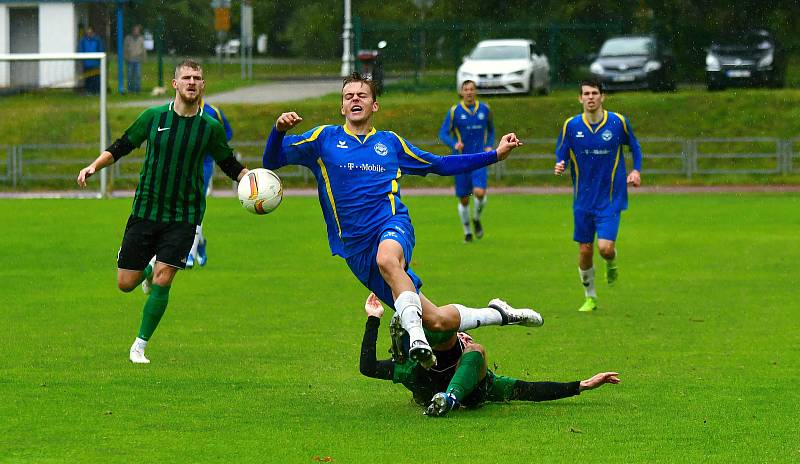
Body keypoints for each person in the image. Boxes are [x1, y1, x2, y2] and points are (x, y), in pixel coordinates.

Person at [263, 72, 540, 369]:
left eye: (362, 95)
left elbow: (439, 164)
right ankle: (499, 313)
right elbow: (272, 161)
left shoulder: (390, 143)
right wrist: (278, 131)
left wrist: (494, 155)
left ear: (375, 106)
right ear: (342, 108)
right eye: (348, 96)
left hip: (392, 225)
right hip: (355, 249)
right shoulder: (323, 139)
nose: (355, 99)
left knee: (387, 260)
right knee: (436, 320)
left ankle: (415, 336)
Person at [77, 59, 248, 363]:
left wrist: (252, 181)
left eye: (197, 78)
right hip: (146, 209)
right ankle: (144, 271)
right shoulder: (153, 117)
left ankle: (139, 345)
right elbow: (121, 145)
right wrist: (93, 166)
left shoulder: (209, 127)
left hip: (184, 215)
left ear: (203, 85)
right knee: (125, 284)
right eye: (186, 77)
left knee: (164, 278)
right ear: (175, 84)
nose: (192, 82)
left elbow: (229, 164)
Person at [359, 293, 620, 417]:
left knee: (451, 336)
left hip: (433, 387)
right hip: (456, 393)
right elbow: (531, 391)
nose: (466, 338)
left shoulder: (412, 369)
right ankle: (497, 315)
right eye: (463, 335)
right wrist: (580, 386)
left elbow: (368, 367)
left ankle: (407, 319)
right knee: (476, 350)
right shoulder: (486, 381)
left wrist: (373, 320)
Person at [554, 79, 642, 312]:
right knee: (585, 249)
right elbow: (561, 150)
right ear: (580, 98)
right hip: (582, 200)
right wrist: (560, 163)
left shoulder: (618, 122)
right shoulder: (571, 126)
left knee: (604, 248)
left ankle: (611, 261)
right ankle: (590, 296)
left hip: (611, 197)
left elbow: (635, 147)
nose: (590, 97)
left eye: (595, 93)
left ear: (603, 97)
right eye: (586, 93)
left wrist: (635, 170)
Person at [438, 80, 494, 242]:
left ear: (475, 91)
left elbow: (491, 130)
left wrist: (489, 145)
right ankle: (467, 231)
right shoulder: (455, 111)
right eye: (466, 89)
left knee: (479, 192)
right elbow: (443, 133)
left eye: (471, 89)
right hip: (461, 160)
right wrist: (454, 143)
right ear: (461, 92)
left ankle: (476, 218)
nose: (469, 92)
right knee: (464, 198)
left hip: (480, 158)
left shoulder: (485, 109)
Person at [185, 98, 234, 268]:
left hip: (204, 164)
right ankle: (200, 243)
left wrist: (215, 145)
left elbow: (228, 132)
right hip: (184, 164)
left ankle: (189, 253)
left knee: (196, 204)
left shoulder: (213, 111)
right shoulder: (179, 110)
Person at [77, 26, 104, 94]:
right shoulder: (83, 40)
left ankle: (97, 91)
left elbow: (100, 50)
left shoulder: (97, 40)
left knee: (96, 79)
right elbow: (80, 50)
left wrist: (99, 59)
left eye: (90, 31)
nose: (89, 33)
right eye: (88, 31)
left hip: (95, 64)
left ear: (93, 32)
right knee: (88, 78)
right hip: (86, 64)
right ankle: (88, 91)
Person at [123, 25, 146, 94]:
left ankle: (137, 89)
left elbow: (143, 49)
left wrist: (144, 58)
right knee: (130, 75)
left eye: (137, 31)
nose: (136, 32)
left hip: (138, 59)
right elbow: (125, 49)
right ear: (133, 31)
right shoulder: (128, 38)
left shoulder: (141, 38)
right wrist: (126, 58)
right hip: (130, 59)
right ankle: (130, 89)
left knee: (138, 75)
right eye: (135, 30)